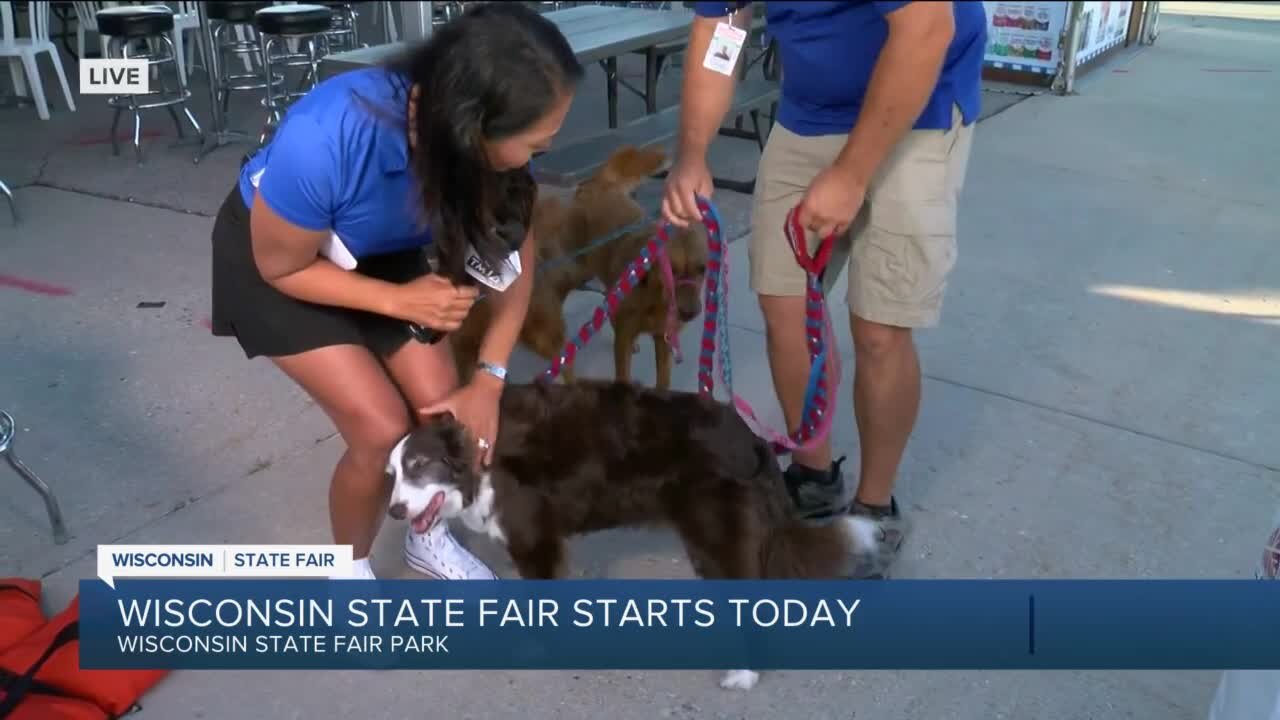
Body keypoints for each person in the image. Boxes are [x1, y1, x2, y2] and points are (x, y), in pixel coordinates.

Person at [209, 3, 583, 580]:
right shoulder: (328, 136)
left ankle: (424, 538)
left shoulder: (486, 160)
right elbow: (280, 268)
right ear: (471, 124)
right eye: (537, 145)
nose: (539, 158)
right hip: (280, 264)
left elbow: (515, 263)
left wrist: (490, 377)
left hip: (379, 254)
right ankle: (347, 569)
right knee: (380, 428)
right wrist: (399, 302)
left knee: (440, 412)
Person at [663, 1, 986, 578]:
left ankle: (875, 508)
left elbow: (926, 28)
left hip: (919, 102)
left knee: (880, 327)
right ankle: (814, 477)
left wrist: (851, 174)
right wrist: (692, 155)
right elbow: (722, 27)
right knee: (782, 303)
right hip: (809, 112)